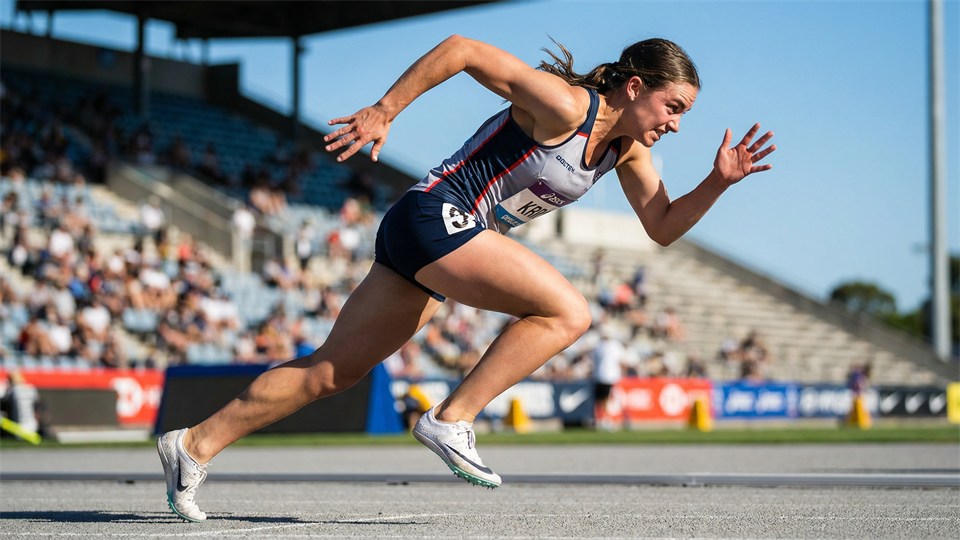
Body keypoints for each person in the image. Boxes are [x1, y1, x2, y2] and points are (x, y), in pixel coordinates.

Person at [157, 35, 775, 522]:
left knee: (332, 372)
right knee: (568, 313)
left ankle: (192, 447)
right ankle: (452, 418)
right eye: (672, 107)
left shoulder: (626, 152)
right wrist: (384, 109)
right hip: (435, 215)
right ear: (635, 86)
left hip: (427, 234)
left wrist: (718, 182)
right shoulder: (566, 105)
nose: (674, 124)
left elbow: (662, 225)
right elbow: (462, 50)